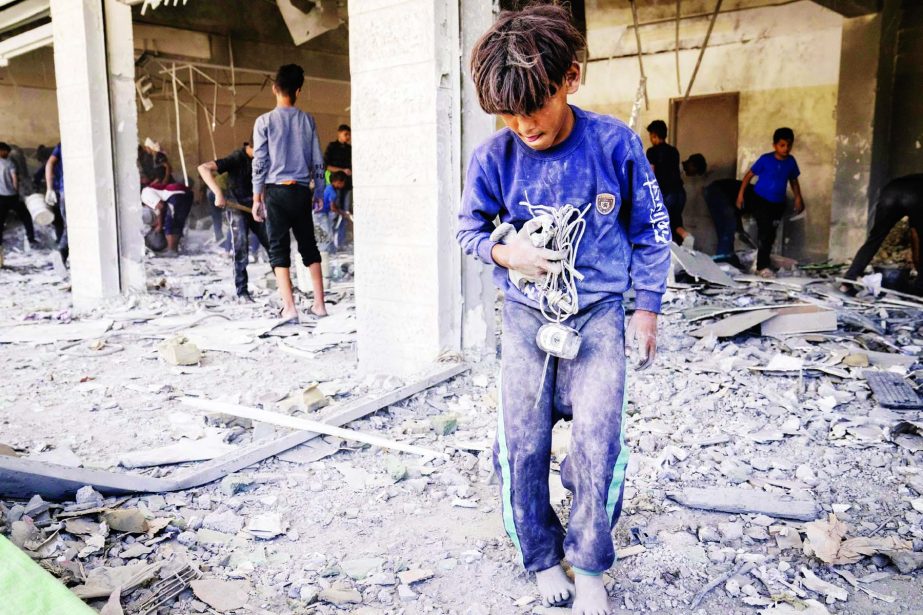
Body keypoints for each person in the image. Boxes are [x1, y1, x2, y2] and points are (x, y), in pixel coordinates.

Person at [457, 6, 670, 614]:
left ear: (571, 77)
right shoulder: (493, 159)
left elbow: (651, 231)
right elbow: (468, 231)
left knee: (597, 441)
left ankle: (591, 564)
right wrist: (507, 251)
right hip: (527, 318)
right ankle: (542, 556)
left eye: (536, 106)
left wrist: (646, 309)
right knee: (521, 443)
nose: (523, 124)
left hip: (600, 313)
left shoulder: (615, 145)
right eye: (508, 112)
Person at [252, 64, 328, 321]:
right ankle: (320, 305)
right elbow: (317, 159)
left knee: (278, 249)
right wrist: (319, 190)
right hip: (301, 192)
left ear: (274, 88)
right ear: (298, 90)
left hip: (276, 192)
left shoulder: (264, 121)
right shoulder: (308, 121)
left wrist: (256, 197)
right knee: (309, 247)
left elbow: (259, 162)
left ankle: (290, 308)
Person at [198, 143, 271, 301]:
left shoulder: (261, 160)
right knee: (241, 249)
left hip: (254, 205)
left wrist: (262, 204)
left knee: (272, 245)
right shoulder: (236, 158)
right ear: (252, 146)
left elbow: (263, 183)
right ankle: (242, 291)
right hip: (236, 205)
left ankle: (286, 288)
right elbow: (203, 168)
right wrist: (218, 193)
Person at [736, 127, 804, 278]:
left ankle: (762, 262)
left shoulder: (791, 162)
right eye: (782, 145)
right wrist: (740, 195)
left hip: (778, 202)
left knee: (770, 234)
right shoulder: (765, 159)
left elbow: (793, 180)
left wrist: (798, 197)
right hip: (761, 200)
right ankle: (762, 267)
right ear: (774, 145)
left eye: (789, 145)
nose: (786, 149)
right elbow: (748, 176)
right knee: (765, 233)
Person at [841, 174, 923, 295]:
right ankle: (920, 285)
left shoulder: (912, 178)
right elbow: (915, 235)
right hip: (915, 195)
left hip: (890, 191)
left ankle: (847, 282)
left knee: (875, 237)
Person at [682, 153, 753, 267]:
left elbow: (736, 213)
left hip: (717, 194)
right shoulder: (756, 198)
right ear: (692, 165)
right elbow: (735, 214)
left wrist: (740, 230)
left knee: (726, 229)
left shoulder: (751, 195)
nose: (692, 175)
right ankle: (723, 260)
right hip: (718, 193)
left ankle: (726, 258)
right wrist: (740, 231)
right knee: (728, 228)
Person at [646, 120, 692, 247]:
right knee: (675, 221)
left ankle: (671, 250)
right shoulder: (674, 151)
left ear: (654, 135)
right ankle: (684, 239)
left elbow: (651, 174)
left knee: (662, 223)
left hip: (666, 193)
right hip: (680, 194)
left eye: (650, 135)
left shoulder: (652, 152)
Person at [0, 142, 36, 266]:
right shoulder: (10, 163)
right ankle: (31, 238)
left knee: (0, 220)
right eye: (6, 152)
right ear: (2, 151)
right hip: (12, 196)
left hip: (1, 197)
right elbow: (14, 178)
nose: (8, 154)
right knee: (26, 216)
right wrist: (16, 190)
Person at [140, 184, 192, 257]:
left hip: (176, 194)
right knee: (177, 222)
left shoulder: (144, 195)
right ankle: (174, 249)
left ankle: (172, 250)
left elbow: (160, 206)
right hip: (186, 193)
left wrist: (159, 225)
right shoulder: (150, 191)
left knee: (170, 223)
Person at [315, 171, 348, 258]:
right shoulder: (332, 192)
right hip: (320, 215)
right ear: (338, 182)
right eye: (343, 183)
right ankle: (325, 255)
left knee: (327, 233)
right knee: (327, 235)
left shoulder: (328, 187)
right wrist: (342, 213)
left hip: (318, 213)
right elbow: (333, 207)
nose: (343, 185)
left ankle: (331, 253)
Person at [44, 142, 67, 263]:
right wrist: (50, 188)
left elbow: (49, 163)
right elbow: (49, 163)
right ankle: (61, 253)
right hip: (71, 191)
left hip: (63, 191)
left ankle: (61, 252)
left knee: (68, 225)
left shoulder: (62, 145)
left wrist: (50, 188)